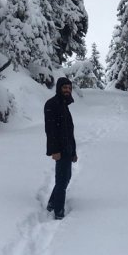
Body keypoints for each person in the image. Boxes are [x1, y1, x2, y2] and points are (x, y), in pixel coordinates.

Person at [44, 77, 78, 220]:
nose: (67, 90)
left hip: (68, 148)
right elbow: (50, 130)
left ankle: (52, 202)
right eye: (65, 88)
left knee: (66, 177)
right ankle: (58, 211)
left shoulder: (64, 105)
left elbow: (69, 131)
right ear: (59, 88)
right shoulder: (52, 104)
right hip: (60, 149)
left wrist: (74, 152)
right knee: (62, 180)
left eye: (69, 88)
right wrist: (55, 150)